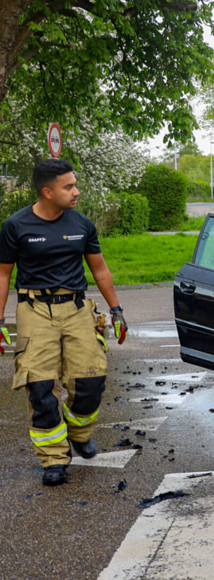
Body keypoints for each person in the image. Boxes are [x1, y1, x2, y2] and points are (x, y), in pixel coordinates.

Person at [0, 159, 127, 486]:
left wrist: (116, 310)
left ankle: (79, 433)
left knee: (91, 381)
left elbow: (99, 269)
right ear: (47, 191)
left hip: (76, 308)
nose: (76, 191)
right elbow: (3, 274)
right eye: (68, 186)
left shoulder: (82, 224)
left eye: (75, 184)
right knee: (39, 388)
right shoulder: (16, 226)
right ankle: (54, 459)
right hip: (34, 310)